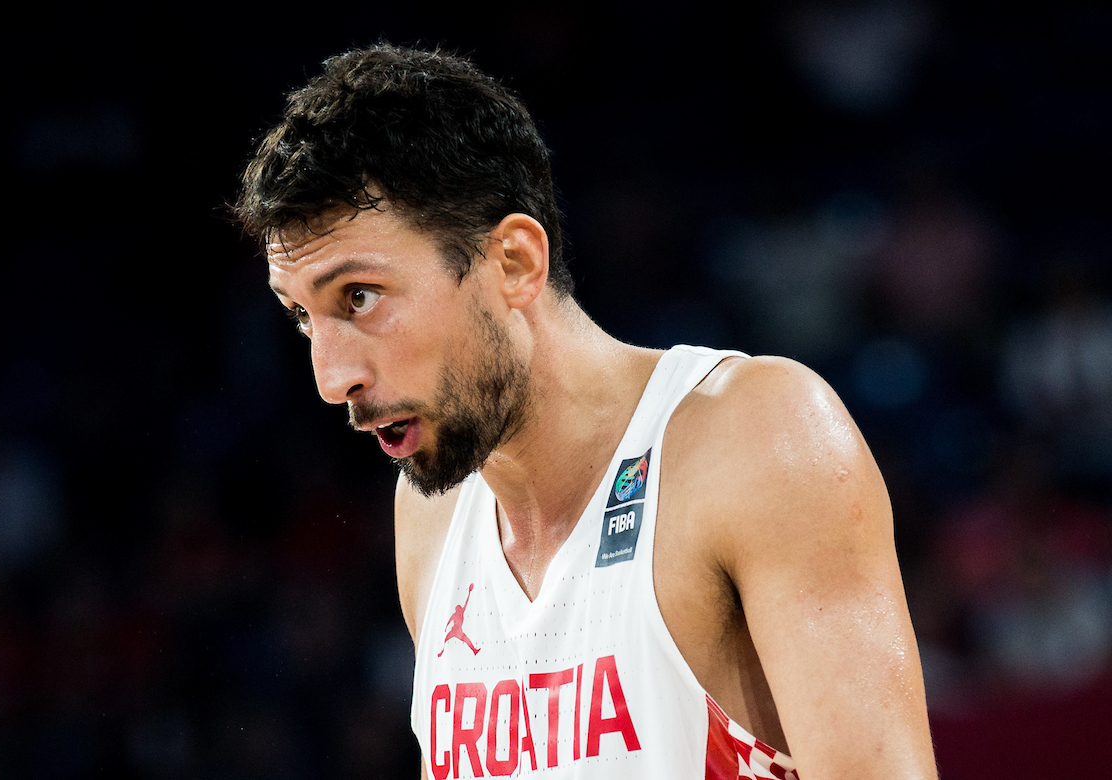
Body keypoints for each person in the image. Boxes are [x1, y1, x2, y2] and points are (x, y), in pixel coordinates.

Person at [236, 44, 937, 779]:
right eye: (303, 317)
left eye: (359, 297)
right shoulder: (431, 515)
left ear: (514, 262)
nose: (331, 378)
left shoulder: (754, 438)